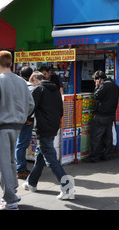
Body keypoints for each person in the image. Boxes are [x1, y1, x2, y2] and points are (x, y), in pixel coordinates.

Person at [23, 71, 75, 200]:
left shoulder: (38, 90)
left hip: (43, 127)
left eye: (31, 83)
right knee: (40, 156)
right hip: (53, 126)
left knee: (50, 159)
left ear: (35, 79)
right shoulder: (56, 90)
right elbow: (61, 110)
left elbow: (31, 108)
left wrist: (27, 119)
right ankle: (31, 183)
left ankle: (67, 187)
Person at [0, 51, 35, 210]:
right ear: (10, 63)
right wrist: (21, 115)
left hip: (0, 126)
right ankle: (12, 190)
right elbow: (31, 104)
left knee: (2, 163)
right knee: (10, 161)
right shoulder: (21, 82)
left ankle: (10, 199)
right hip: (17, 125)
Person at [84, 70, 119, 163]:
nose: (95, 83)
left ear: (99, 79)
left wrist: (97, 86)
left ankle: (94, 157)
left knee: (96, 137)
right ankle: (106, 155)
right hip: (111, 115)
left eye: (95, 81)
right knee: (108, 137)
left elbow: (96, 96)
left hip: (101, 115)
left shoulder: (104, 86)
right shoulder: (115, 86)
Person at [16, 66, 35, 179]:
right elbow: (32, 104)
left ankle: (15, 166)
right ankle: (21, 169)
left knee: (14, 143)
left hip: (12, 118)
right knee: (22, 144)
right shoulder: (30, 87)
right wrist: (30, 118)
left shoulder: (14, 85)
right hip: (25, 119)